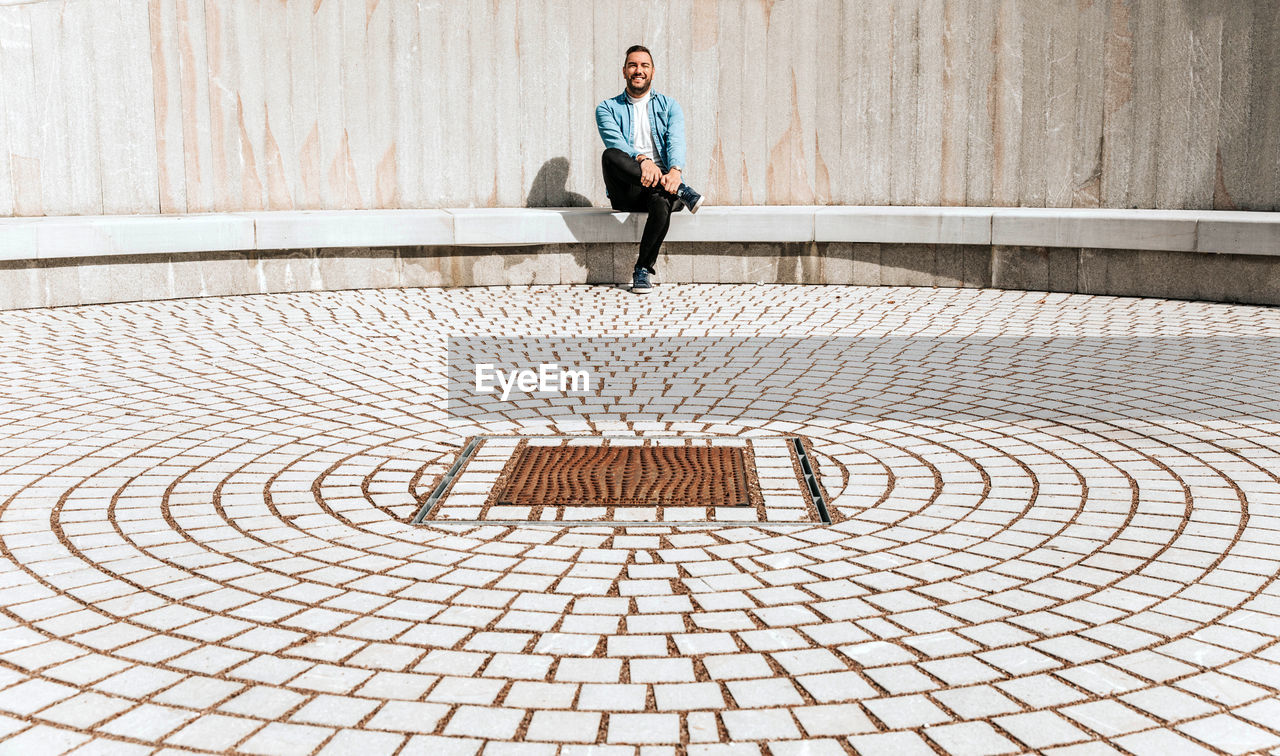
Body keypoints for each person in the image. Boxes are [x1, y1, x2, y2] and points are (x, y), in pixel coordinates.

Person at [596, 44, 704, 294]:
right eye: (633, 65)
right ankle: (683, 191)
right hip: (628, 190)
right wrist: (643, 160)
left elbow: (676, 140)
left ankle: (642, 269)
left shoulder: (669, 106)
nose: (638, 70)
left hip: (665, 188)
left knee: (661, 202)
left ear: (653, 72)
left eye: (644, 65)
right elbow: (617, 144)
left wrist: (675, 171)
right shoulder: (607, 108)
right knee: (610, 155)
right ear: (624, 71)